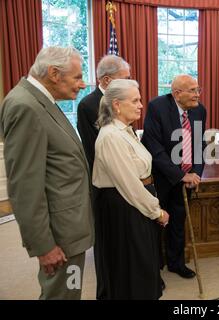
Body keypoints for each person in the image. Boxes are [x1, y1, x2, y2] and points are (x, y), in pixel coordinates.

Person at [0, 46, 94, 299]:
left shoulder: (42, 101)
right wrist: (43, 245)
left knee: (70, 292)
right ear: (54, 73)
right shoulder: (26, 106)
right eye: (77, 77)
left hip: (68, 228)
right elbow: (25, 187)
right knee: (62, 295)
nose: (82, 84)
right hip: (58, 235)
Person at [92, 79, 169, 299]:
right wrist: (157, 211)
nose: (141, 105)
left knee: (143, 266)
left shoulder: (126, 131)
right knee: (132, 271)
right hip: (124, 208)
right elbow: (130, 185)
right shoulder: (111, 137)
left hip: (135, 205)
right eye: (135, 100)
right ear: (116, 105)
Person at [141, 74, 207, 280]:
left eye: (198, 89)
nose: (198, 94)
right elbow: (154, 147)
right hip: (162, 177)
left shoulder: (199, 111)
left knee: (178, 220)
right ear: (177, 94)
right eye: (193, 90)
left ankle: (176, 263)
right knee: (156, 222)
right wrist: (180, 175)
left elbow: (199, 145)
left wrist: (195, 171)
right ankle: (154, 267)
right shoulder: (157, 107)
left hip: (187, 176)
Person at [76, 54, 130, 299]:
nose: (130, 84)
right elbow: (92, 151)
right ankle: (106, 291)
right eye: (125, 79)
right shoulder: (88, 105)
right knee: (105, 242)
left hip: (126, 180)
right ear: (107, 80)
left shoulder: (124, 100)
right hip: (105, 185)